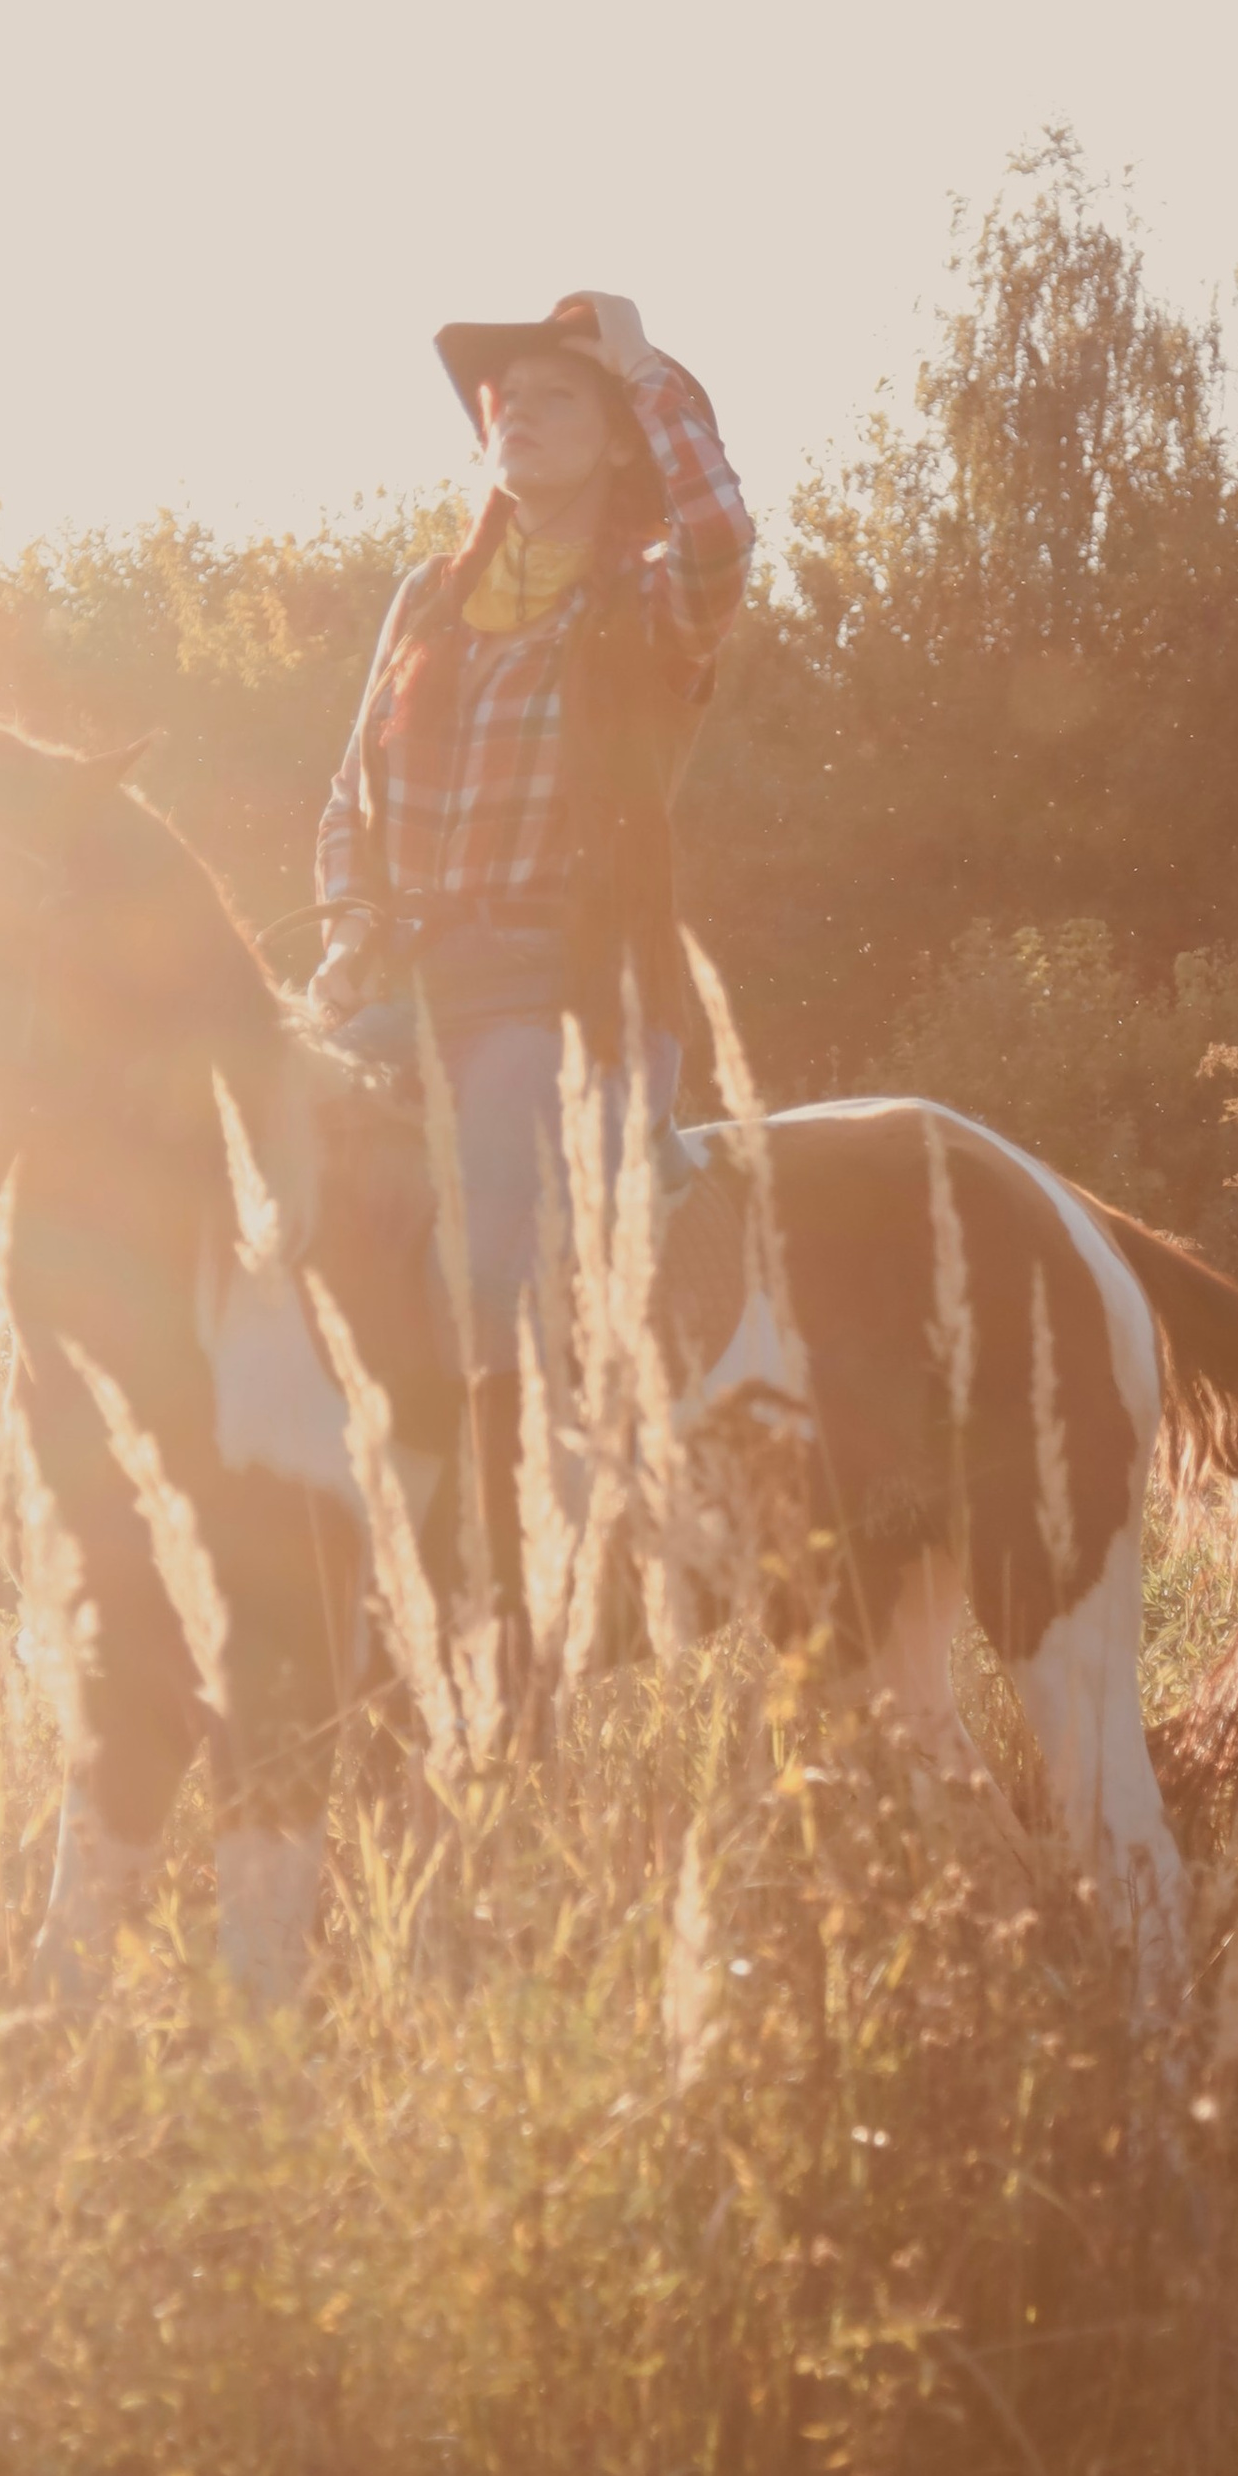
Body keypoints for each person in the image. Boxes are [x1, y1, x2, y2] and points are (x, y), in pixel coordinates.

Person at [309, 288, 754, 1660]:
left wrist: (640, 362)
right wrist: (345, 921)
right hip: (413, 991)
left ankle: (495, 1609)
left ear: (623, 440)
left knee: (483, 1252)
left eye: (559, 397)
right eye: (505, 401)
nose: (518, 414)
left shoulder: (647, 596)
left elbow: (723, 531)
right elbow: (348, 800)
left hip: (569, 1000)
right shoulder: (425, 600)